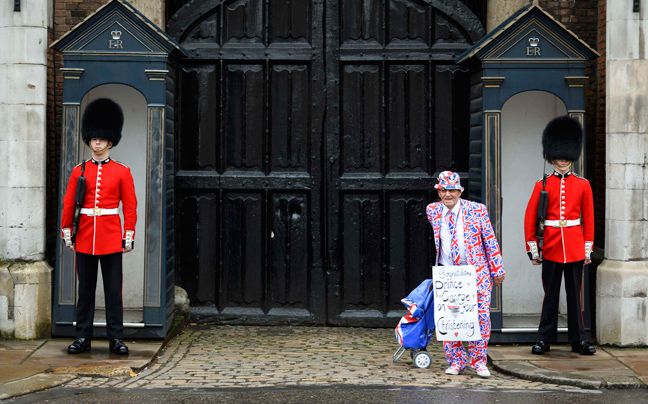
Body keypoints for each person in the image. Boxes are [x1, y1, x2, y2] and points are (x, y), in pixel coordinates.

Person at [61, 98, 137, 355]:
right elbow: (68, 205)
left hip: (111, 237)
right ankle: (83, 338)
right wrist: (67, 233)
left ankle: (116, 339)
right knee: (85, 293)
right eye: (93, 138)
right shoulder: (78, 171)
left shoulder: (122, 171)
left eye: (101, 139)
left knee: (113, 292)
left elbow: (129, 207)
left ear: (110, 141)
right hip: (84, 237)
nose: (97, 142)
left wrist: (128, 236)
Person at [524, 116, 596, 356]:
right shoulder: (541, 184)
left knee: (575, 296)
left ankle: (579, 340)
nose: (563, 160)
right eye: (559, 156)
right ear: (552, 156)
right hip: (552, 246)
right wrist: (533, 248)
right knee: (551, 295)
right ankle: (544, 339)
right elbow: (530, 218)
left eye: (566, 156)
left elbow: (589, 219)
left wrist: (587, 249)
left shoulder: (583, 184)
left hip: (575, 246)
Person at [426, 171, 505, 378]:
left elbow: (490, 240)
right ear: (439, 192)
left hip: (476, 273)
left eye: (452, 190)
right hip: (449, 275)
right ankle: (456, 362)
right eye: (444, 190)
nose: (448, 195)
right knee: (451, 319)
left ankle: (479, 362)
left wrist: (497, 268)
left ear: (460, 191)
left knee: (480, 318)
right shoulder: (432, 211)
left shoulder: (477, 210)